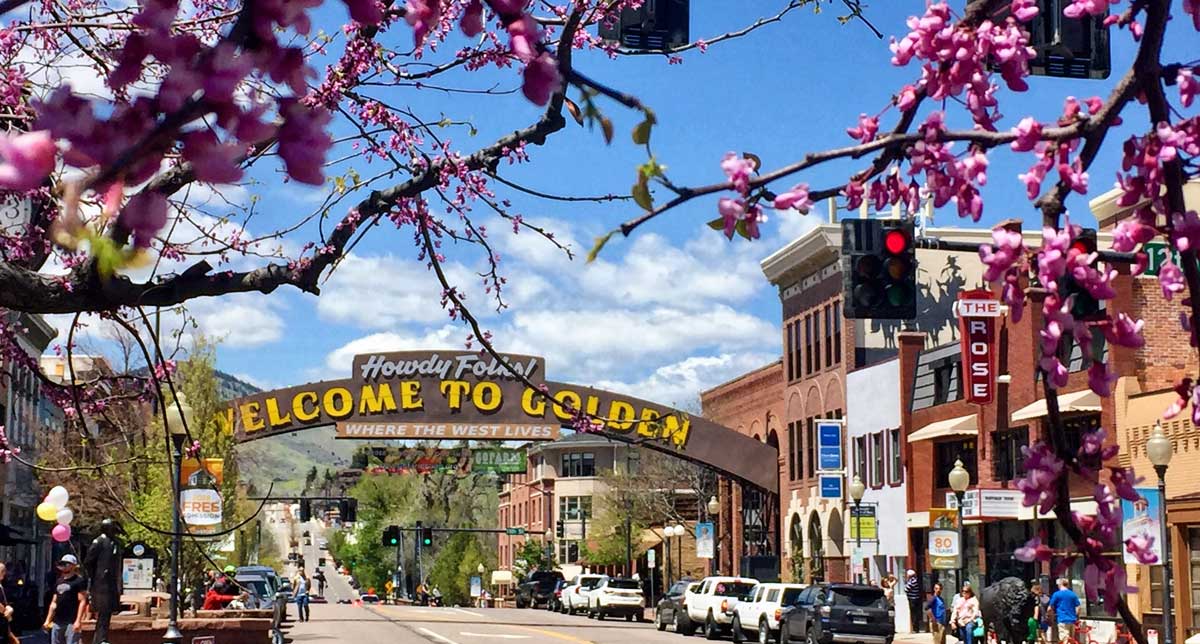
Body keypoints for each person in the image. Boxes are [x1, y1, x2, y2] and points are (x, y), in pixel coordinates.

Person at [43, 555, 88, 644]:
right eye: (62, 563)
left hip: (71, 620)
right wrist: (48, 620)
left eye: (66, 564)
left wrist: (78, 621)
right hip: (57, 621)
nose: (64, 566)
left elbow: (82, 601)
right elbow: (54, 602)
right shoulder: (59, 581)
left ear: (73, 565)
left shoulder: (79, 581)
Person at [1047, 578, 1080, 644]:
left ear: (1060, 584)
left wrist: (1049, 616)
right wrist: (1076, 617)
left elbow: (1050, 608)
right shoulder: (1073, 594)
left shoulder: (1057, 594)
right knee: (1071, 640)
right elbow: (1078, 607)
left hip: (1062, 620)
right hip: (1072, 620)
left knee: (1064, 640)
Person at [0, 564, 19, 644]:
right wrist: (6, 610)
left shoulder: (1, 586)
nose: (4, 574)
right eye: (2, 571)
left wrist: (9, 609)